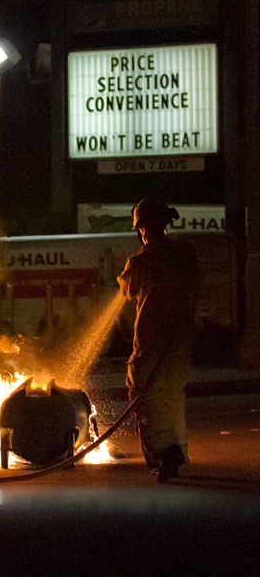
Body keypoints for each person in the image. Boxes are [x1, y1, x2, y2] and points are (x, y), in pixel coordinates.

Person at [117, 198, 199, 482]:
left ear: (142, 229)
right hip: (180, 342)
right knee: (172, 395)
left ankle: (166, 453)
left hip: (151, 341)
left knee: (144, 394)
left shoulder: (141, 261)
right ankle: (176, 452)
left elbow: (127, 289)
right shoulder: (184, 255)